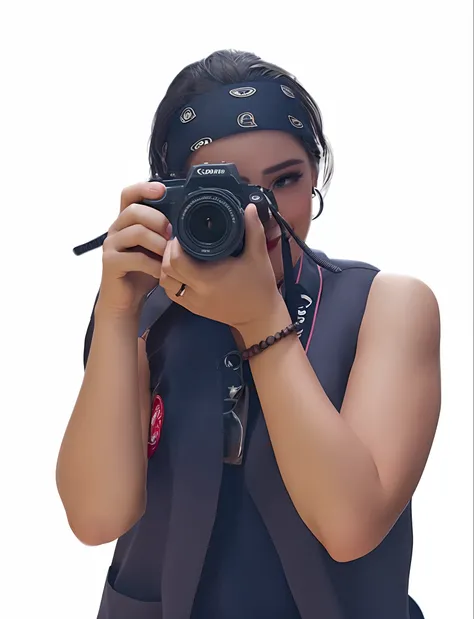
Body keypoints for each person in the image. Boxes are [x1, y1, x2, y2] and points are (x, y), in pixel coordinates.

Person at [56, 49, 441, 619]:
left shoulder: (385, 305)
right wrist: (117, 317)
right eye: (227, 191)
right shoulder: (145, 310)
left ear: (316, 178)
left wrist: (262, 322)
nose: (257, 213)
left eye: (285, 180)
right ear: (171, 193)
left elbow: (349, 525)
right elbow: (95, 517)